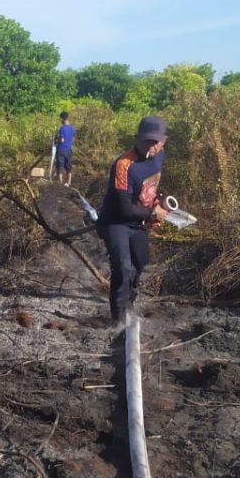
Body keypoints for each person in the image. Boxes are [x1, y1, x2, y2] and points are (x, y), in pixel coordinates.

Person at [97, 115, 170, 326]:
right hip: (115, 221)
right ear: (137, 138)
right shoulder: (124, 165)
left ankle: (130, 306)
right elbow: (124, 208)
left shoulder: (159, 155)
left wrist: (157, 203)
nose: (152, 146)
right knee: (123, 268)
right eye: (148, 140)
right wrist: (152, 214)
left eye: (156, 142)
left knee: (139, 263)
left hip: (139, 222)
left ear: (163, 141)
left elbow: (150, 188)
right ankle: (117, 320)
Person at [53, 111, 76, 187]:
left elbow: (62, 140)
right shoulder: (72, 128)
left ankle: (60, 182)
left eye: (61, 119)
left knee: (60, 166)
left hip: (61, 150)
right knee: (68, 166)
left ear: (63, 119)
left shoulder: (62, 128)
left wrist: (56, 140)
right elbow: (72, 139)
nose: (60, 120)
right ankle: (69, 183)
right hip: (69, 150)